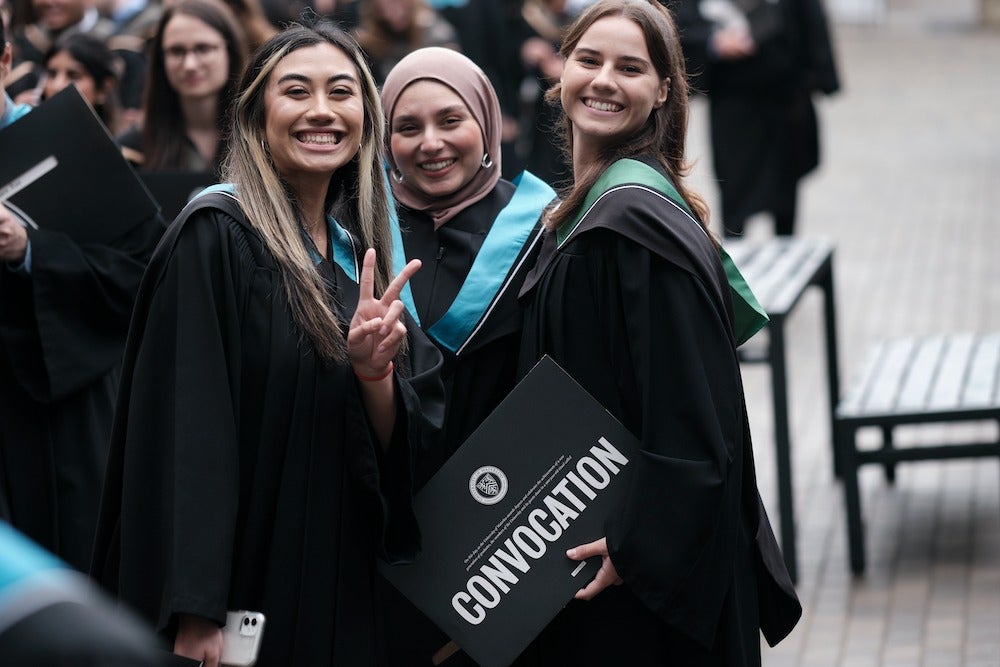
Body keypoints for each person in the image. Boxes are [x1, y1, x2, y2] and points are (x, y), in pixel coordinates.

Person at [91, 19, 444, 667]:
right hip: (244, 588)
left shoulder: (356, 258)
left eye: (342, 92)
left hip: (337, 580)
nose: (321, 111)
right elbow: (185, 435)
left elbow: (403, 449)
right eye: (296, 91)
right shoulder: (217, 236)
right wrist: (194, 609)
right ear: (256, 116)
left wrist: (373, 373)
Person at [516, 1, 801, 663]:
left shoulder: (633, 223)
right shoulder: (593, 207)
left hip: (639, 577)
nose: (604, 80)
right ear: (561, 74)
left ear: (663, 91)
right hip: (597, 533)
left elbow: (692, 415)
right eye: (589, 59)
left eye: (630, 67)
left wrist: (636, 542)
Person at [379, 45, 556, 665]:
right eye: (407, 127)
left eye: (450, 120)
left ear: (486, 122)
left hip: (517, 534)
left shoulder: (543, 231)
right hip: (386, 530)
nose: (430, 143)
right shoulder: (356, 234)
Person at [0, 18, 165, 573]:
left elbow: (142, 269)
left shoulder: (69, 141)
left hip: (72, 411)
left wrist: (29, 249)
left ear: (4, 62)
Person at [674, 0, 840, 237]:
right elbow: (679, 20)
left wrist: (817, 76)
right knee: (735, 194)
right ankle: (734, 264)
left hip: (784, 98)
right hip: (733, 100)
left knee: (785, 192)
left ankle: (787, 258)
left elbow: (808, 17)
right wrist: (713, 41)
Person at [117, 0, 247, 175]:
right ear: (161, 60)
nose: (190, 65)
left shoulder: (259, 135)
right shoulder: (134, 147)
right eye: (177, 51)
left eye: (203, 49)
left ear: (230, 52)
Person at [352, 0, 458, 83]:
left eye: (397, 3)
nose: (393, 13)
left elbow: (450, 73)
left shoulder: (435, 33)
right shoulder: (369, 41)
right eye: (386, 7)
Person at [39, 32, 123, 133]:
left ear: (105, 87)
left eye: (74, 76)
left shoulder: (126, 145)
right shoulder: (28, 134)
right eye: (52, 74)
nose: (58, 85)